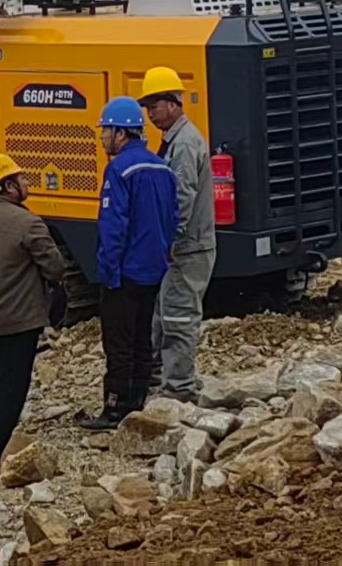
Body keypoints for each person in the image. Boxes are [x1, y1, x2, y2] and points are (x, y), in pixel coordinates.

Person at [0, 152, 66, 470]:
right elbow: (55, 268)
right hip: (19, 321)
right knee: (12, 386)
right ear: (7, 185)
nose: (27, 182)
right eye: (21, 178)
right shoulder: (28, 223)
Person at [76, 96, 179, 429]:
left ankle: (115, 409)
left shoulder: (118, 170)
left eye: (105, 131)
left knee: (118, 343)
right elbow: (172, 217)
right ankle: (137, 402)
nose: (102, 138)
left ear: (121, 132)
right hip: (153, 270)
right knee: (141, 339)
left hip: (124, 273)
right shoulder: (161, 167)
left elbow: (113, 226)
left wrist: (107, 272)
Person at [140, 65, 216, 402]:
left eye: (154, 106)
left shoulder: (183, 144)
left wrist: (172, 238)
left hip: (188, 247)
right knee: (164, 313)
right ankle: (160, 377)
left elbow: (182, 196)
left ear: (172, 103)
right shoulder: (176, 140)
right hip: (186, 245)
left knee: (177, 316)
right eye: (147, 108)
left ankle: (179, 389)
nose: (150, 114)